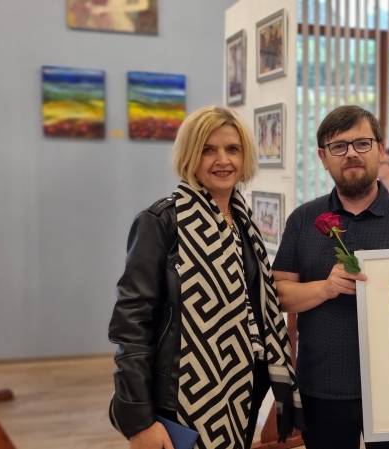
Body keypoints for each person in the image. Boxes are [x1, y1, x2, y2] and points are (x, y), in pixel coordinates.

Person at [108, 105, 303, 449]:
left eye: (232, 149)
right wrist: (139, 421)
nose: (222, 160)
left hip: (243, 389)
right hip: (180, 396)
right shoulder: (161, 222)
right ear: (190, 155)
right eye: (208, 150)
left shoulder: (243, 222)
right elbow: (131, 326)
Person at [272, 105, 389, 449]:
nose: (351, 154)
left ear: (380, 149)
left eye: (362, 143)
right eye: (339, 146)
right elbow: (280, 294)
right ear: (322, 157)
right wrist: (325, 288)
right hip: (322, 387)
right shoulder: (303, 219)